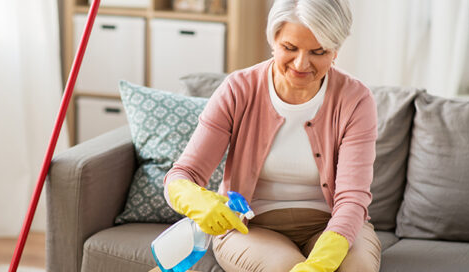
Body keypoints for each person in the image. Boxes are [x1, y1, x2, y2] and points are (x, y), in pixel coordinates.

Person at [163, 0, 381, 271]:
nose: (301, 63)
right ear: (273, 39)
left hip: (336, 225)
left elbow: (352, 198)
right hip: (253, 227)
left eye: (318, 51)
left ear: (335, 50)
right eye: (290, 48)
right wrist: (195, 199)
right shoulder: (237, 90)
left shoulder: (355, 100)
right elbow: (183, 174)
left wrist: (322, 262)